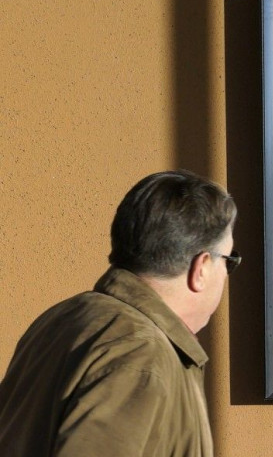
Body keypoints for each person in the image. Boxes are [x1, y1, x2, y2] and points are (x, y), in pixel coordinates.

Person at [0, 170, 239, 456]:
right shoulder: (140, 354)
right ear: (200, 268)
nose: (226, 274)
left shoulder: (67, 316)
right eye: (228, 260)